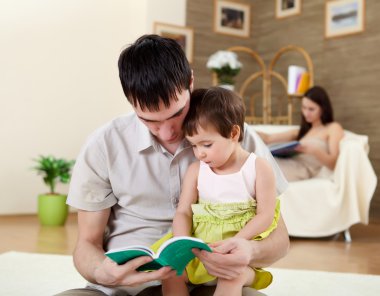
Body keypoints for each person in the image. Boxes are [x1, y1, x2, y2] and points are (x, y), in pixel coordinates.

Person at [57, 34, 289, 296]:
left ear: (190, 81)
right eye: (149, 120)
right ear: (130, 101)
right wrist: (101, 271)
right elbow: (86, 244)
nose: (167, 132)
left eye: (177, 113)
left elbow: (279, 238)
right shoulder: (104, 144)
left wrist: (250, 251)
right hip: (128, 288)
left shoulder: (235, 138)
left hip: (209, 284)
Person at [161, 87, 280, 296]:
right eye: (193, 146)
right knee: (170, 272)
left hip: (237, 251)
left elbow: (266, 215)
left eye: (206, 144)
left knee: (232, 274)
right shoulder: (196, 170)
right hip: (201, 248)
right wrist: (181, 242)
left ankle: (238, 276)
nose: (200, 153)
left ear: (234, 133)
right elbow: (183, 212)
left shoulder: (258, 167)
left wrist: (239, 242)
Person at [257, 86, 344, 181]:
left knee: (263, 166)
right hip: (290, 163)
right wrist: (244, 128)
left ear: (323, 109)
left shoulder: (332, 128)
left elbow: (334, 164)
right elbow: (268, 138)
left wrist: (314, 151)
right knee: (259, 161)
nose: (306, 113)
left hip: (302, 169)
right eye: (304, 108)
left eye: (311, 109)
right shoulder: (302, 131)